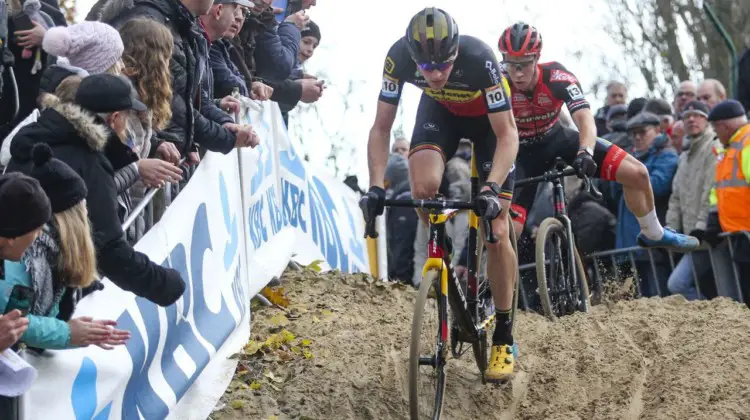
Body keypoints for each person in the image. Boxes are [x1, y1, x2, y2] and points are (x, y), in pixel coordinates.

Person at [359, 8, 519, 382]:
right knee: (423, 189)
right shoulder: (398, 57)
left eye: (442, 66)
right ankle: (440, 251)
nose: (433, 75)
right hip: (440, 114)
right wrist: (376, 185)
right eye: (425, 68)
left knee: (495, 227)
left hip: (489, 127)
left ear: (455, 52)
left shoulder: (480, 58)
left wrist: (492, 188)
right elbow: (382, 128)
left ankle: (504, 335)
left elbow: (507, 135)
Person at [496, 22, 699, 253]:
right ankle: (499, 288)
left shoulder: (557, 77)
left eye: (524, 64)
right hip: (521, 153)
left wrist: (586, 151)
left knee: (638, 173)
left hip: (557, 139)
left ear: (537, 58)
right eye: (511, 64)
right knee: (507, 233)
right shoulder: (498, 82)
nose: (518, 73)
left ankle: (653, 232)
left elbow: (584, 119)